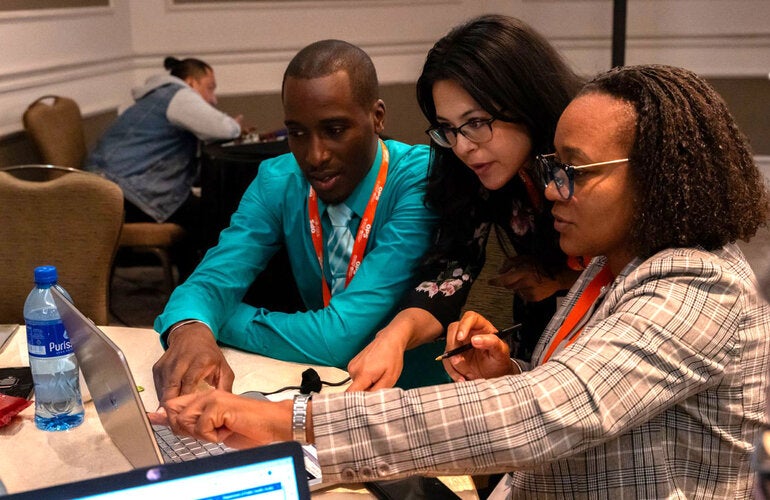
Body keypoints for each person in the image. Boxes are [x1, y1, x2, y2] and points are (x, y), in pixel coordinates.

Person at [150, 64, 770, 498]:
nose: (552, 189)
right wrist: (509, 376)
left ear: (659, 176)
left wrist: (288, 423)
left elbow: (539, 416)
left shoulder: (697, 286)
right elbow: (585, 402)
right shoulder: (611, 270)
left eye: (573, 171)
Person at [152, 39, 443, 401]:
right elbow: (216, 275)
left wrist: (213, 319)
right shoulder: (278, 179)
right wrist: (192, 326)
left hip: (420, 397)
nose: (315, 156)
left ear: (377, 117)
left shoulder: (419, 178)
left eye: (335, 130)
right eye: (297, 133)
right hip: (327, 392)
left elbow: (338, 339)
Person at [347, 15, 583, 391]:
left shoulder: (587, 164)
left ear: (525, 100)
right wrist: (393, 335)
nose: (462, 146)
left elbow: (636, 268)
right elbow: (452, 270)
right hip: (536, 354)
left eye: (475, 122)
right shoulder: (480, 169)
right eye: (449, 129)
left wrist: (563, 277)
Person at [86, 56, 243, 231]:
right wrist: (235, 124)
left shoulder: (159, 96)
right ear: (191, 82)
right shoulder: (178, 94)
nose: (214, 99)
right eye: (210, 88)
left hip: (111, 188)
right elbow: (226, 130)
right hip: (125, 193)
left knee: (210, 210)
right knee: (219, 215)